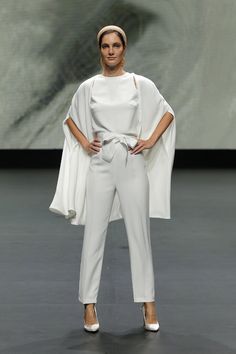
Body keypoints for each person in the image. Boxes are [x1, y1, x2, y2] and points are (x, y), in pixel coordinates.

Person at [49, 25, 176, 333]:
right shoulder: (89, 86)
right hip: (101, 162)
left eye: (115, 45)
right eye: (105, 46)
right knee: (94, 234)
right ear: (100, 50)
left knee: (139, 234)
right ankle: (88, 305)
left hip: (131, 160)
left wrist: (148, 140)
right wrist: (83, 141)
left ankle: (148, 303)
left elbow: (167, 113)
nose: (110, 51)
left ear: (124, 48)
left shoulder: (138, 83)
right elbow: (69, 118)